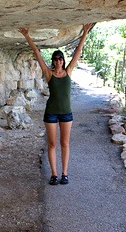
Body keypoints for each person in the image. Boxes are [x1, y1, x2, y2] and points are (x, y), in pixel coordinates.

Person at [19, 23, 94, 185]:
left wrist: (85, 33)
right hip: (51, 113)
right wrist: (27, 36)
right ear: (53, 61)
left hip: (66, 112)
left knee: (64, 143)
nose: (58, 60)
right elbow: (37, 54)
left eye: (60, 58)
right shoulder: (49, 74)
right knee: (52, 144)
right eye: (55, 58)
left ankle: (64, 173)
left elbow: (78, 52)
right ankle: (54, 174)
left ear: (63, 60)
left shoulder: (68, 72)